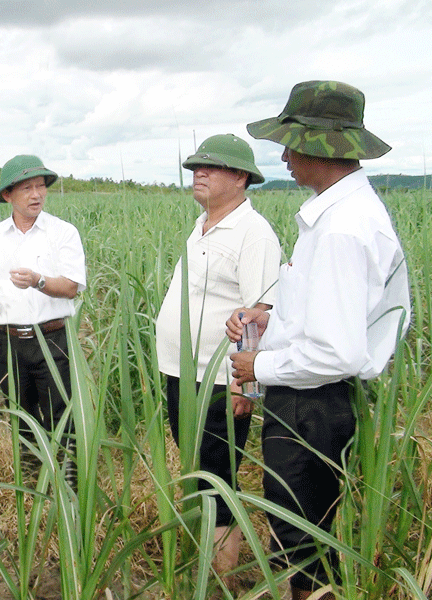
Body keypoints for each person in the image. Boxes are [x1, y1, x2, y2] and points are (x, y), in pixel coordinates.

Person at [227, 81, 411, 600]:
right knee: (307, 535)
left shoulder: (341, 231)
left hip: (311, 404)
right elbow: (327, 319)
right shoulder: (340, 217)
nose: (284, 155)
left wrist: (256, 368)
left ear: (319, 147)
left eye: (291, 143)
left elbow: (336, 351)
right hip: (314, 398)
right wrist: (269, 314)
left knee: (303, 544)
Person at [156, 134, 280, 582]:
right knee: (196, 467)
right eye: (195, 168)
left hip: (221, 382)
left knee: (218, 477)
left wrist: (247, 387)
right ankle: (204, 562)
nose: (200, 174)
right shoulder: (203, 224)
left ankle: (221, 576)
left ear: (242, 177)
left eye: (212, 168)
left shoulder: (254, 233)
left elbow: (259, 311)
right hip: (180, 372)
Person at [0, 155, 86, 479]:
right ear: (8, 195)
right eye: (27, 188)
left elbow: (71, 287)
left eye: (40, 186)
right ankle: (31, 473)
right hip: (8, 342)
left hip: (52, 340)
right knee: (20, 413)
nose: (36, 194)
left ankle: (68, 485)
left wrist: (38, 280)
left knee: (60, 414)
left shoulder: (63, 233)